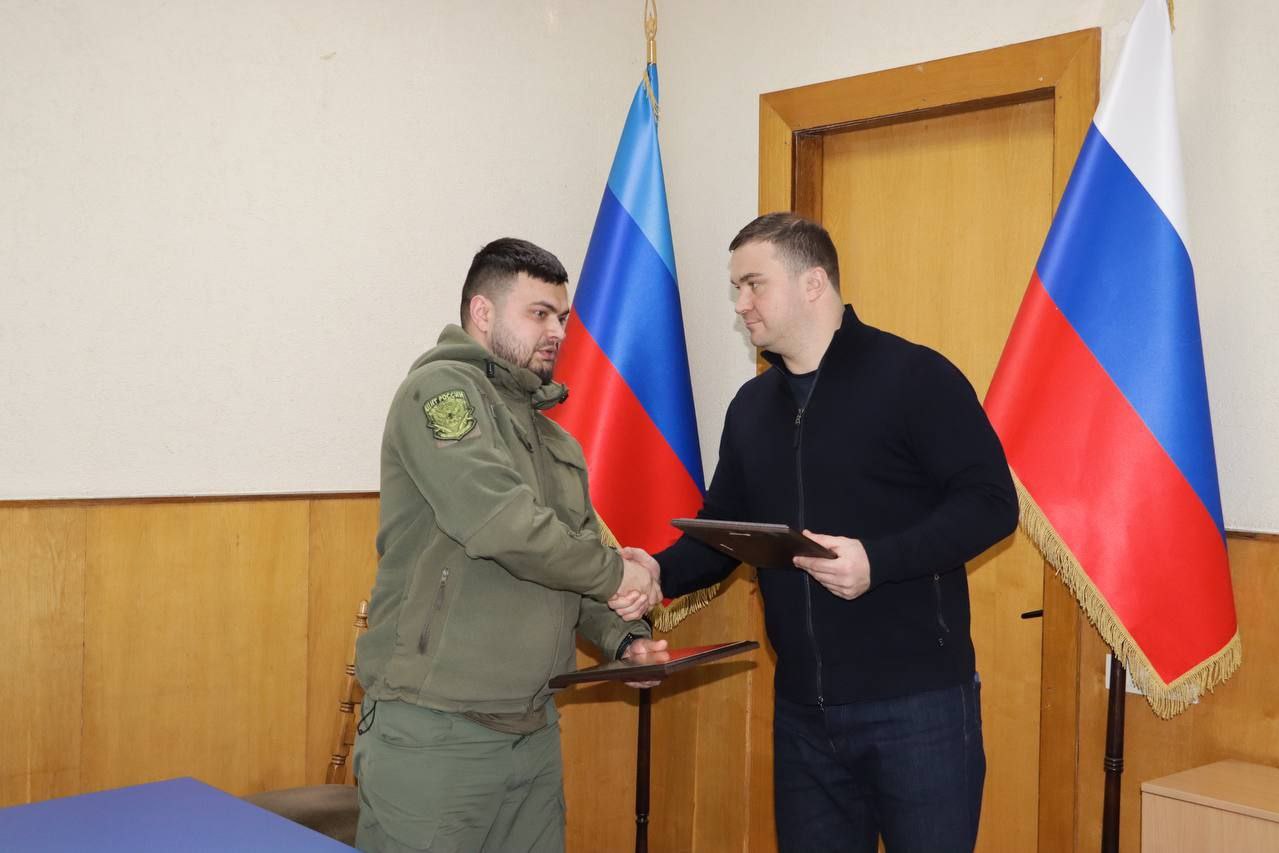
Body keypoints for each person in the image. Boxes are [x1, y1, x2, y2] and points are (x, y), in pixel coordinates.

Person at [617, 213, 1018, 853]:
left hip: (919, 709)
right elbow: (725, 536)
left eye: (754, 284)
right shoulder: (751, 408)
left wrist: (877, 562)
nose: (740, 303)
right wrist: (657, 571)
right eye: (736, 288)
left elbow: (993, 505)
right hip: (803, 714)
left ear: (812, 283)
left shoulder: (915, 377)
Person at [354, 237, 666, 853]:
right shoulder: (441, 392)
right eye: (539, 313)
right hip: (437, 732)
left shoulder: (555, 441)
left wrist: (624, 638)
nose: (558, 332)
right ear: (483, 312)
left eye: (562, 317)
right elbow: (501, 524)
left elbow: (570, 561)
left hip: (534, 729)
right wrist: (618, 574)